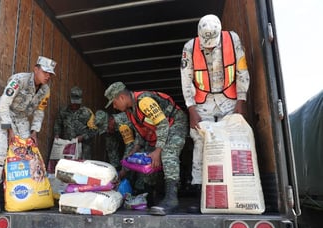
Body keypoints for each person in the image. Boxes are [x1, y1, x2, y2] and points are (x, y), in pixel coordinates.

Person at [180, 14, 250, 196]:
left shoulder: (233, 39)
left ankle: (235, 187)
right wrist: (191, 109)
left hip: (229, 99)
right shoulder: (189, 47)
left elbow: (242, 70)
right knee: (200, 140)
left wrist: (241, 101)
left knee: (233, 139)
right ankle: (198, 186)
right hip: (203, 101)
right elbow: (186, 80)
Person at [104, 81, 188, 215]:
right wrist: (135, 149)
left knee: (168, 154)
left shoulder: (144, 101)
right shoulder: (130, 112)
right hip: (160, 131)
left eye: (114, 102)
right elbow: (140, 133)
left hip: (175, 123)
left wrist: (158, 150)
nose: (114, 106)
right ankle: (150, 200)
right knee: (148, 160)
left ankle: (171, 199)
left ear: (121, 98)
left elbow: (162, 125)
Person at [0, 56, 56, 214]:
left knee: (26, 154)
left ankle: (25, 194)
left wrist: (34, 132)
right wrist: (8, 129)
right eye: (45, 72)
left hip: (21, 118)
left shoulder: (45, 90)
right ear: (36, 69)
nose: (48, 76)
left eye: (50, 74)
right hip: (4, 116)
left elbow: (39, 112)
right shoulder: (19, 80)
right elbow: (4, 105)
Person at [53, 86, 97, 160]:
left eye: (77, 103)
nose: (75, 105)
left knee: (82, 168)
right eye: (74, 103)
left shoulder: (87, 112)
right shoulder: (63, 111)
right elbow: (58, 124)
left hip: (84, 149)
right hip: (68, 147)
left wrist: (83, 137)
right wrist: (57, 134)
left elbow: (94, 130)